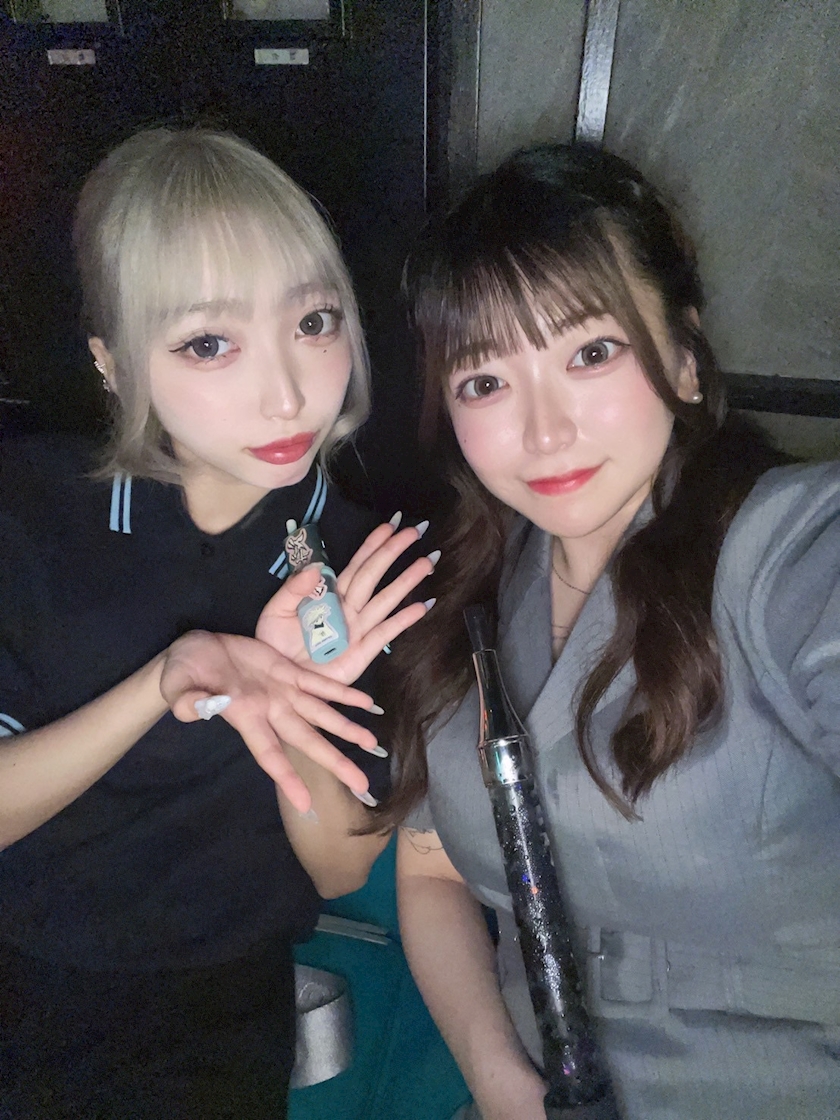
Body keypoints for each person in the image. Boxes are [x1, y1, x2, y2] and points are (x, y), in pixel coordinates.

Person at [378, 144, 840, 1119]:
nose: (544, 430)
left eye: (590, 353)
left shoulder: (788, 551)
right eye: (484, 381)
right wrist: (498, 1079)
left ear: (683, 356)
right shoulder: (461, 595)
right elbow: (428, 868)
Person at [0, 127, 436, 1118]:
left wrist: (300, 695)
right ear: (114, 364)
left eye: (314, 322)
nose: (286, 392)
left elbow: (341, 864)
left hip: (221, 1005)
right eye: (209, 342)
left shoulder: (365, 559)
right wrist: (167, 681)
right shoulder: (28, 514)